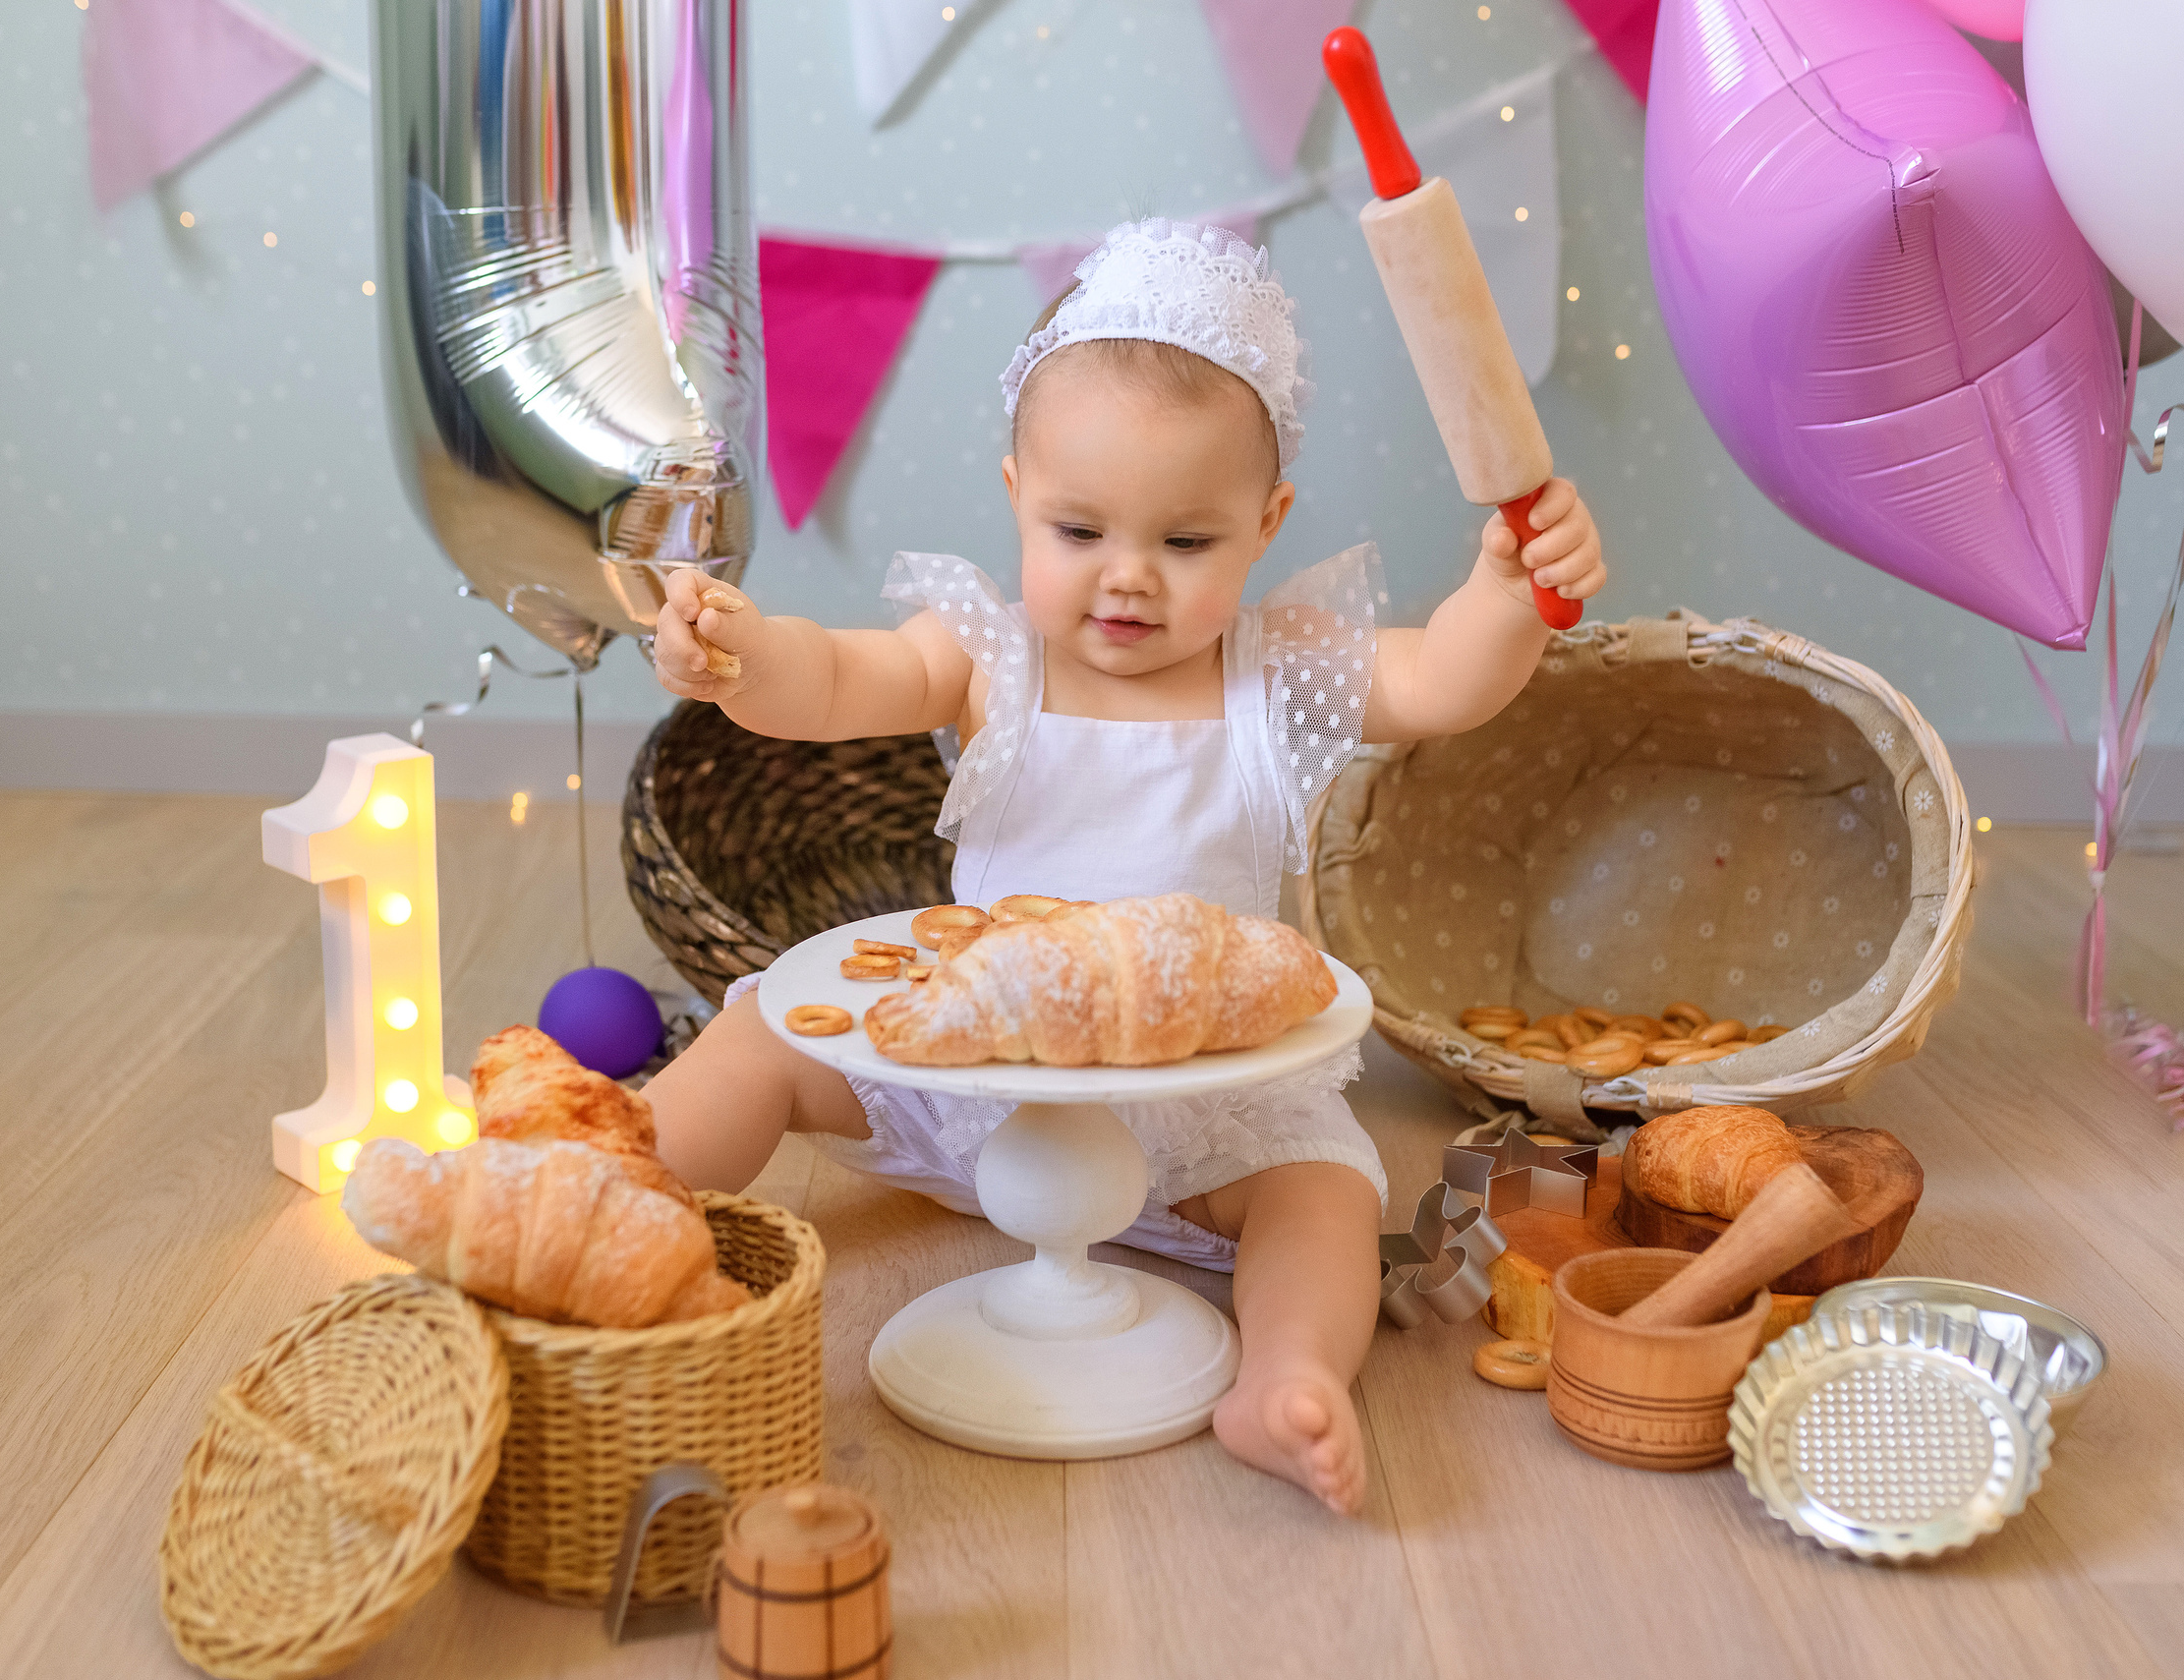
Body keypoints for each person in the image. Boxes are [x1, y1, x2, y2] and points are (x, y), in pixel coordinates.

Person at [642, 219, 1603, 1515]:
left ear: (1265, 525)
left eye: (1187, 543)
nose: (1127, 579)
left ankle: (1285, 1376)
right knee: (761, 1032)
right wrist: (742, 657)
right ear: (1014, 498)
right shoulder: (987, 653)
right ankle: (620, 1197)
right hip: (972, 1074)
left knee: (1326, 1195)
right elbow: (834, 680)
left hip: (1201, 1118)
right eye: (1079, 529)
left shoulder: (1277, 667)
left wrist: (1514, 591)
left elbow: (1441, 680)